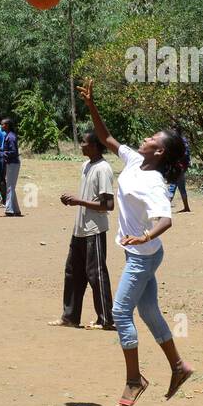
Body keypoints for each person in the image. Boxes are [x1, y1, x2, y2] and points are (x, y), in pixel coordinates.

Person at [79, 82, 193, 406]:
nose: (145, 139)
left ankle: (134, 379)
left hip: (143, 255)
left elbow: (165, 220)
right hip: (140, 253)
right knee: (148, 310)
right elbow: (106, 138)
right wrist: (91, 104)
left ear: (158, 152)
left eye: (152, 139)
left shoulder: (155, 182)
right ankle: (178, 366)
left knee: (119, 311)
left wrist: (145, 236)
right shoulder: (132, 161)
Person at [51, 131, 115, 331]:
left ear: (95, 145)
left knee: (96, 274)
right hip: (80, 228)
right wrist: (74, 201)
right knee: (73, 272)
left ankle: (106, 319)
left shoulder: (103, 168)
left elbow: (108, 204)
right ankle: (70, 317)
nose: (81, 146)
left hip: (94, 230)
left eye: (85, 143)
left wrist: (78, 201)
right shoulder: (86, 166)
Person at [0, 117, 23, 216]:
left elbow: (13, 152)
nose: (1, 126)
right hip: (11, 163)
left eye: (3, 124)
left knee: (10, 187)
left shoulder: (11, 137)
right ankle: (16, 210)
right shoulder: (9, 136)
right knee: (11, 187)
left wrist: (0, 154)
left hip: (13, 164)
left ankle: (9, 210)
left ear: (7, 125)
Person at [168, 125, 192, 213]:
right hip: (182, 167)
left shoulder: (175, 142)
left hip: (177, 167)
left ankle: (163, 210)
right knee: (181, 187)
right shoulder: (183, 140)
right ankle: (186, 207)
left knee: (172, 187)